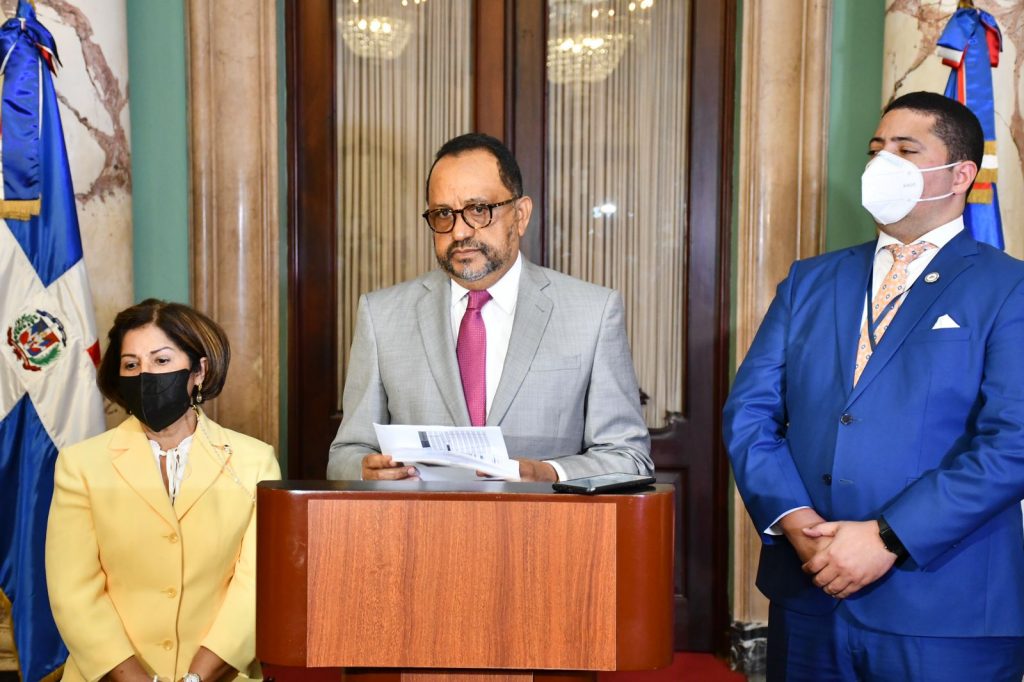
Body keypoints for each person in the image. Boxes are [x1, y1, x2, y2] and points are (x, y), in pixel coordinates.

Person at [724, 90, 1024, 681]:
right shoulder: (812, 280)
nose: (882, 162)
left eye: (905, 149)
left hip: (945, 609)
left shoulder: (1007, 287)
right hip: (810, 594)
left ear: (961, 173)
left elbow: (1012, 444)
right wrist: (794, 519)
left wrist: (888, 538)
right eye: (875, 149)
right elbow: (750, 413)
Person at [327, 132, 652, 481]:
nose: (459, 232)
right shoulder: (382, 316)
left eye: (478, 210)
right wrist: (365, 470)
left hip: (546, 532)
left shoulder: (593, 313)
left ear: (521, 215)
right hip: (419, 532)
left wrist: (549, 473)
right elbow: (345, 454)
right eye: (442, 214)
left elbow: (628, 458)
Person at [45, 300, 281, 682]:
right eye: (132, 364)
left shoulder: (255, 461)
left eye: (161, 361)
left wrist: (196, 679)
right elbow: (74, 593)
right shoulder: (80, 466)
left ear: (198, 372)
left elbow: (255, 586)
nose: (146, 375)